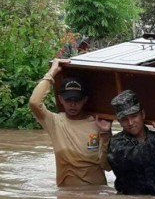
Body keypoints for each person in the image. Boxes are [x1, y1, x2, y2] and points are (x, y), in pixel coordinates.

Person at [29, 59, 111, 187]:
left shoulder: (98, 124)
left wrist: (106, 134)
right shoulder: (55, 122)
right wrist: (51, 73)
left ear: (85, 100)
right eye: (68, 100)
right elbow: (34, 102)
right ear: (61, 99)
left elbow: (107, 166)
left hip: (96, 195)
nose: (73, 104)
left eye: (77, 100)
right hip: (66, 194)